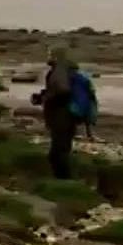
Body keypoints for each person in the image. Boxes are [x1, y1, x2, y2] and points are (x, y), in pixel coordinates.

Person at [32, 46, 80, 179]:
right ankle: (64, 180)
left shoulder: (59, 70)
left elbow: (63, 90)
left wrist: (47, 99)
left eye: (50, 54)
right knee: (62, 150)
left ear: (56, 56)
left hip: (61, 115)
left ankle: (64, 181)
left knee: (57, 153)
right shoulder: (68, 68)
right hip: (69, 115)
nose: (48, 56)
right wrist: (43, 96)